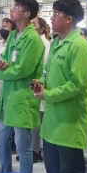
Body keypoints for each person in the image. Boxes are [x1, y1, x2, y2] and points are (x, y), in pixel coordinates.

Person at [34, 0, 87, 173]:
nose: (51, 18)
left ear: (69, 18)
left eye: (56, 14)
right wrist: (41, 83)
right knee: (54, 171)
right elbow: (49, 73)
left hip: (69, 121)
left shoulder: (79, 45)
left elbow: (77, 84)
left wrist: (47, 94)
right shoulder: (57, 43)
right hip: (53, 120)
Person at [0, 0, 45, 173]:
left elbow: (23, 69)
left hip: (22, 97)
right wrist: (2, 68)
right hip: (8, 96)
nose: (12, 9)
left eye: (17, 6)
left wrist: (3, 72)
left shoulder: (33, 39)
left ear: (27, 13)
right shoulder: (14, 35)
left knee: (23, 145)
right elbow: (4, 60)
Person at [29, 17, 51, 163]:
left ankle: (37, 150)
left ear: (42, 28)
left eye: (34, 24)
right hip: (33, 85)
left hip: (40, 85)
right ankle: (35, 148)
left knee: (39, 121)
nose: (31, 26)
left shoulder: (45, 44)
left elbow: (43, 67)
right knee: (34, 121)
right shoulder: (33, 41)